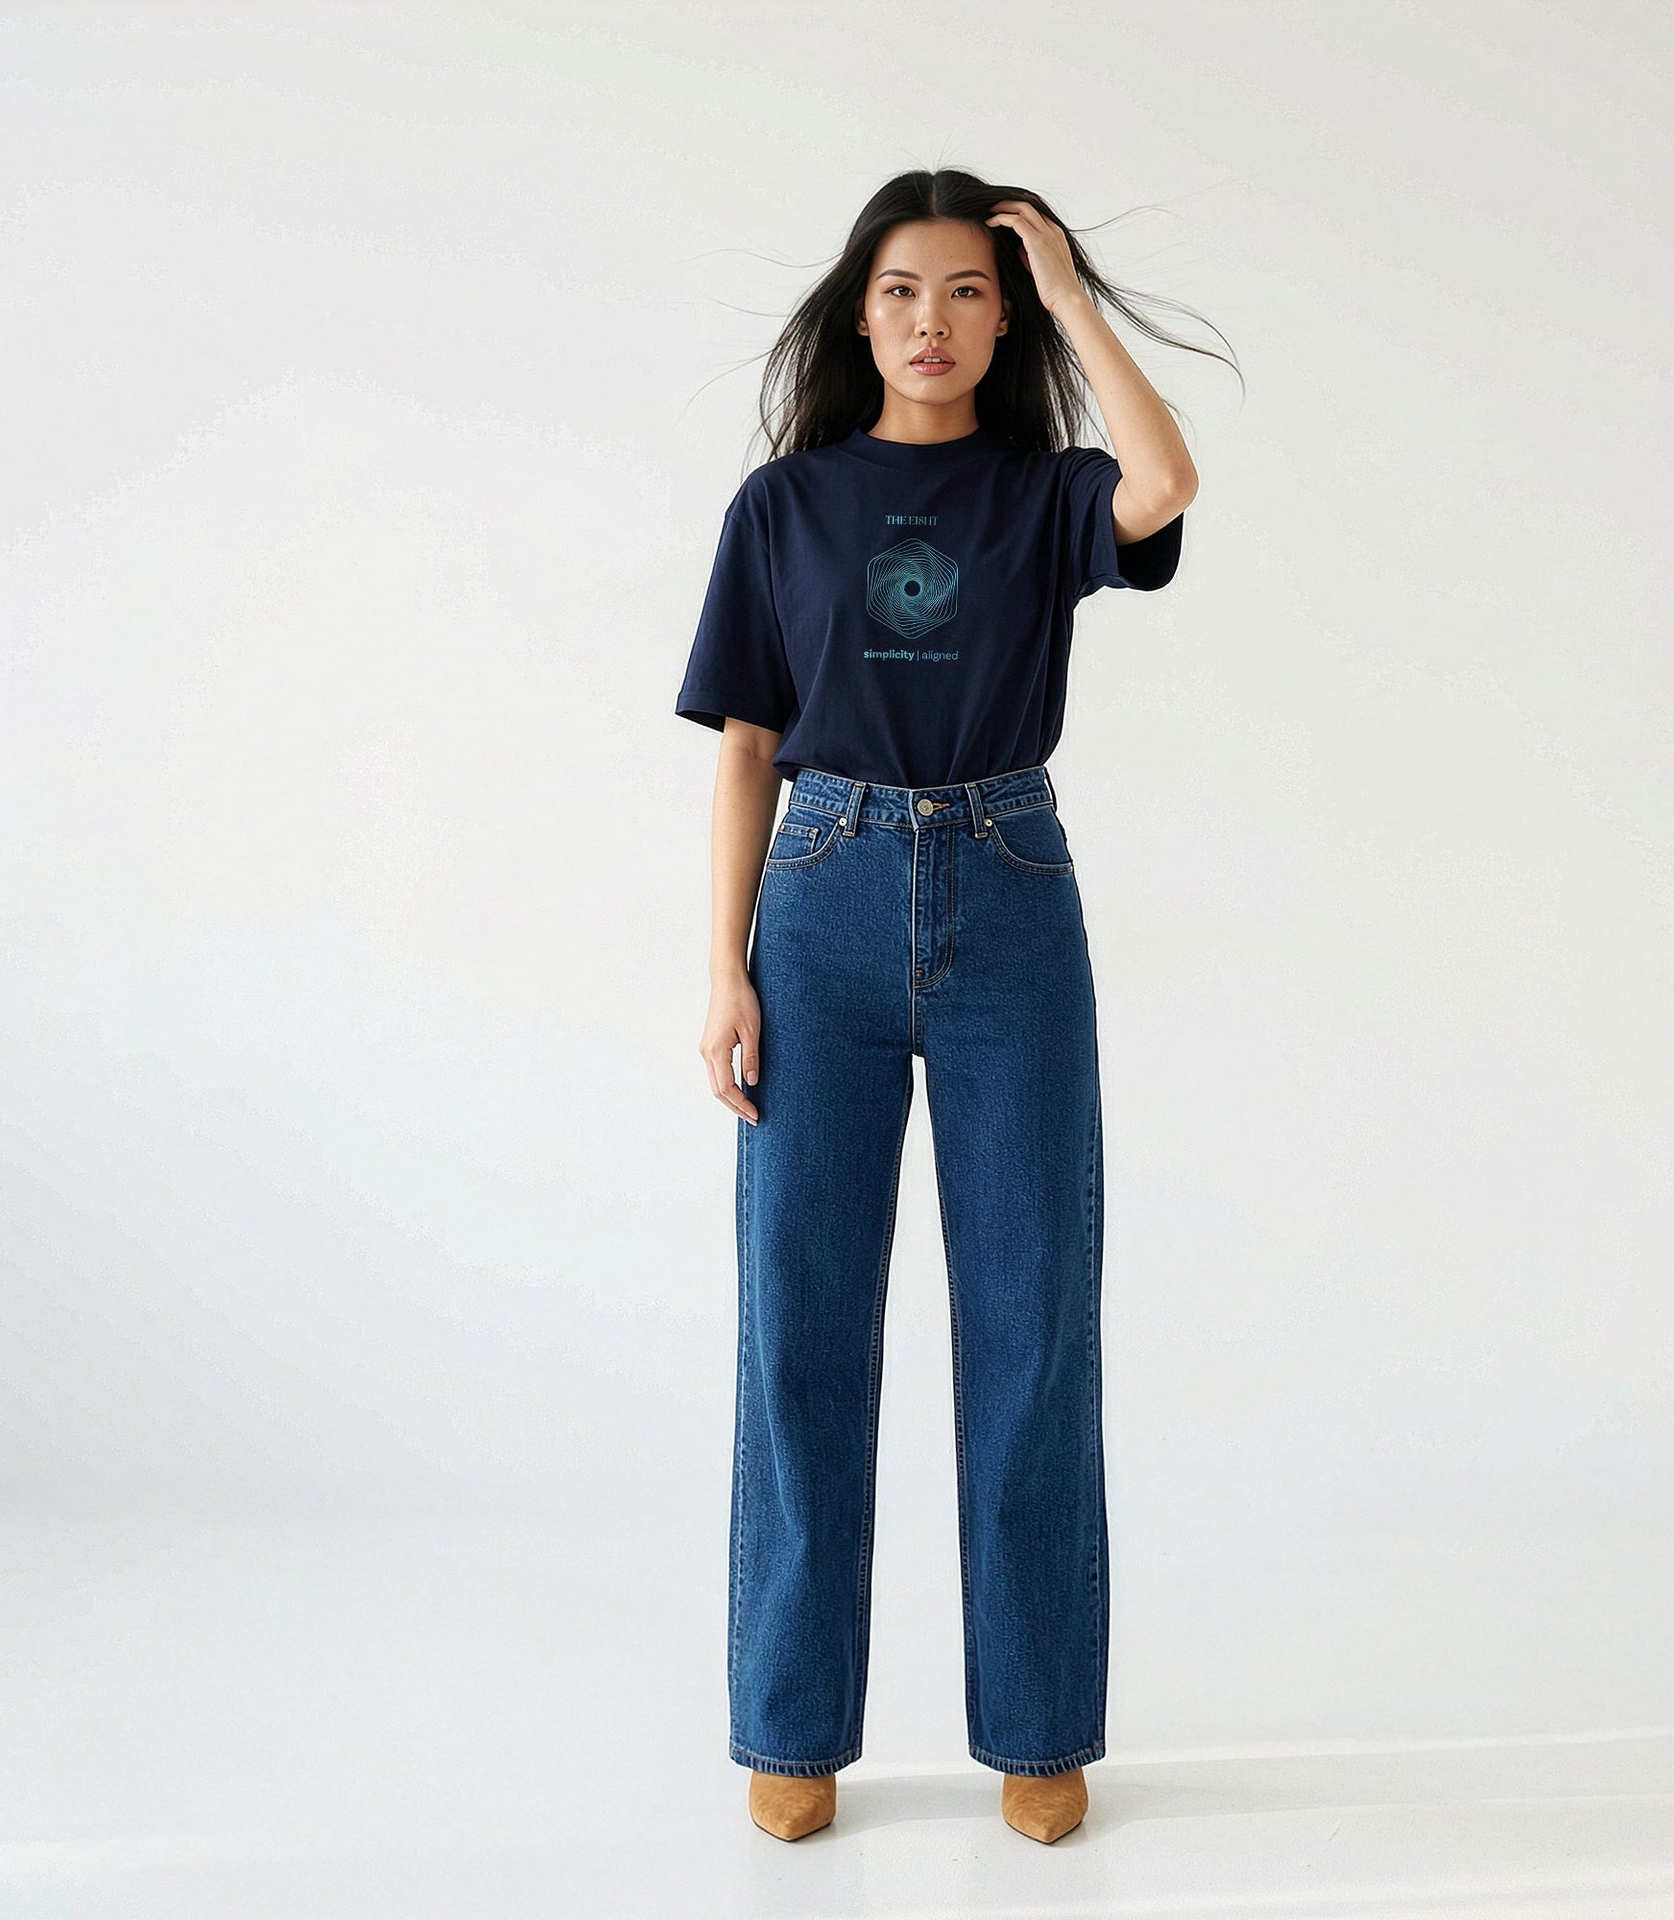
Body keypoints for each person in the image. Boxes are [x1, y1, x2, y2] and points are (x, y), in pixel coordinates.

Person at [675, 168, 1219, 1844]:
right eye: (905, 291)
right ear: (861, 312)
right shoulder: (784, 507)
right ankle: (791, 1723)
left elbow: (1167, 479)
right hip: (820, 903)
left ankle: (1041, 1723)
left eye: (972, 293)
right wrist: (723, 970)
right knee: (801, 1325)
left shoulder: (1044, 495)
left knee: (1036, 1317)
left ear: (1006, 319)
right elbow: (750, 742)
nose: (934, 320)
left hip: (1009, 896)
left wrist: (1071, 286)